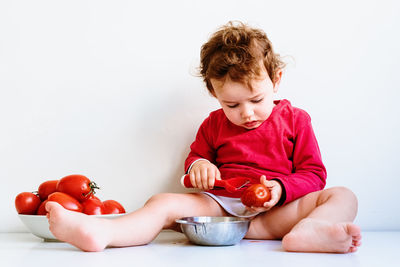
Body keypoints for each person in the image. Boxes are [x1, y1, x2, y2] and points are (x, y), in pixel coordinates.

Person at [45, 21, 362, 253]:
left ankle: (309, 232)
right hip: (222, 209)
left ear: (276, 80)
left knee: (343, 195)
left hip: (276, 216)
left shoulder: (296, 120)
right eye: (232, 104)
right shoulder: (213, 124)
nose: (247, 113)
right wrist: (198, 167)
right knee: (161, 202)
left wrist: (281, 188)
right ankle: (103, 232)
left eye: (256, 100)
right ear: (214, 93)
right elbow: (196, 158)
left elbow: (314, 175)